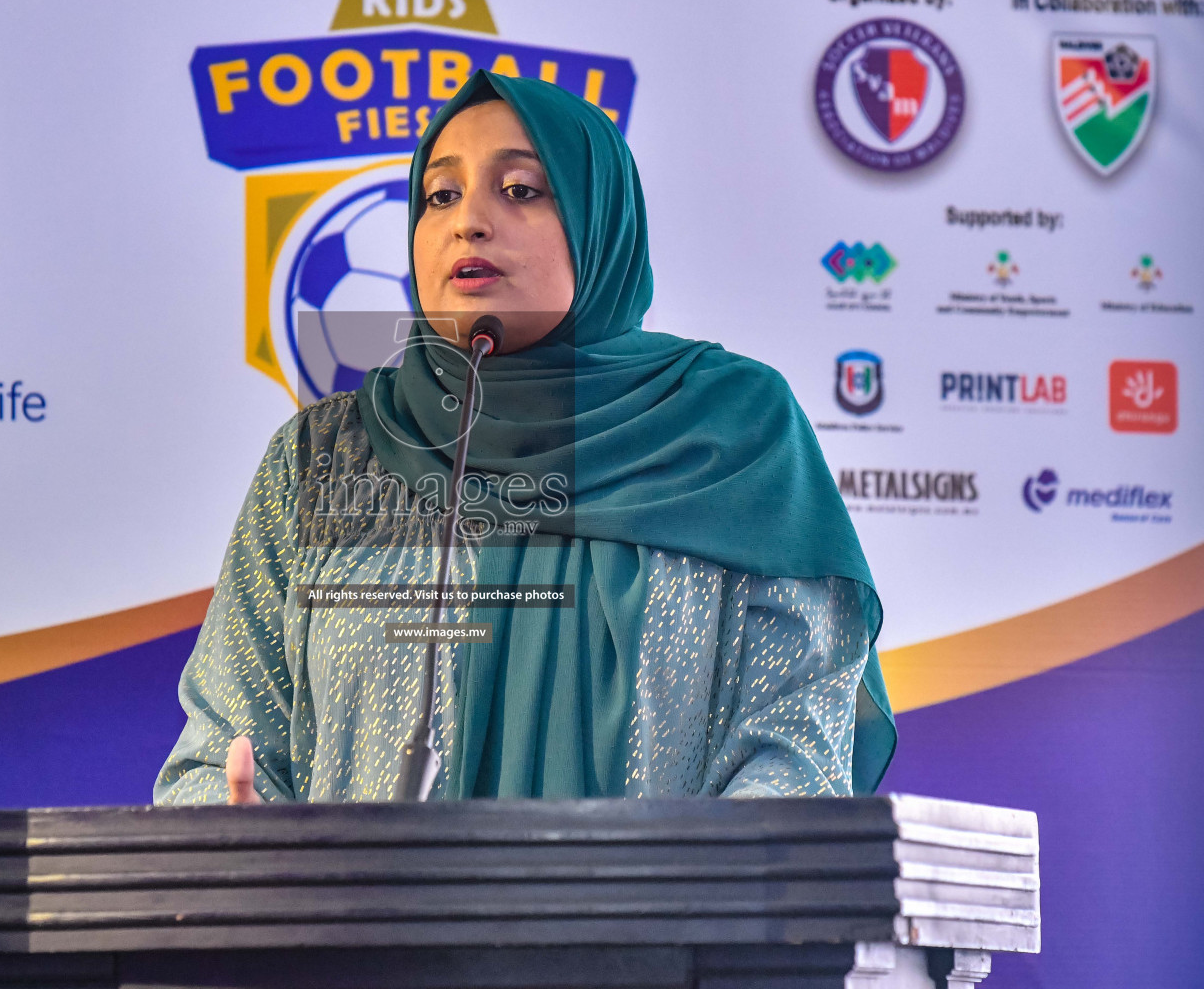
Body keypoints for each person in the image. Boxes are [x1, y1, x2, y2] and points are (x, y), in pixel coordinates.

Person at [154, 71, 894, 806]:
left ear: (599, 220)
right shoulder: (324, 455)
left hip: (661, 924)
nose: (467, 221)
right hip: (353, 923)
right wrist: (245, 852)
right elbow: (220, 751)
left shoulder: (733, 429)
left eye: (521, 190)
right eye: (440, 194)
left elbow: (796, 752)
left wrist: (681, 911)